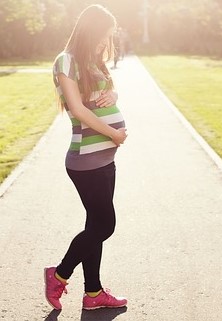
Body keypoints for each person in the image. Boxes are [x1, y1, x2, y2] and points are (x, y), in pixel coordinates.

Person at [45, 4, 128, 311]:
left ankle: (93, 294)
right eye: (103, 35)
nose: (106, 42)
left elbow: (108, 91)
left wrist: (114, 96)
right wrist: (114, 133)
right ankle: (59, 274)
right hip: (85, 161)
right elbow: (78, 110)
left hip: (105, 159)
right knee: (105, 225)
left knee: (95, 225)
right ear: (91, 30)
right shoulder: (65, 61)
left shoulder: (92, 60)